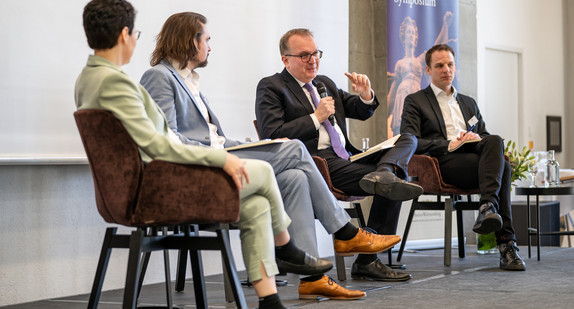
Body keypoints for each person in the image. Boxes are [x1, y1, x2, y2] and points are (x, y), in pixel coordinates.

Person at [76, 2, 339, 308]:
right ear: (124, 34)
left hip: (155, 182)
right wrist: (221, 158)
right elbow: (159, 143)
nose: (136, 39)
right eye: (136, 33)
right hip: (156, 189)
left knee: (255, 204)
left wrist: (233, 149)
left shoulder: (92, 78)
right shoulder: (116, 82)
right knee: (267, 171)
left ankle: (269, 300)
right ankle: (288, 246)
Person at [139, 12, 402, 301]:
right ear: (190, 40)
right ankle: (345, 231)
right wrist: (225, 153)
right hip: (202, 169)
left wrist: (241, 145)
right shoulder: (160, 76)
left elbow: (215, 136)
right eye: (207, 39)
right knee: (295, 148)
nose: (210, 47)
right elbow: (168, 138)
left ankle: (312, 279)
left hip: (223, 153)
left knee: (294, 177)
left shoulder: (190, 81)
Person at [255, 28, 423, 284]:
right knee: (394, 184)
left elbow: (359, 109)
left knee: (407, 139)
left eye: (315, 53)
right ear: (285, 59)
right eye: (304, 55)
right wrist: (315, 118)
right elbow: (272, 133)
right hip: (318, 164)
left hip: (347, 158)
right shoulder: (272, 86)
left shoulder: (324, 83)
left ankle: (385, 171)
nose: (313, 60)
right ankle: (369, 260)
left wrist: (365, 95)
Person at [400, 44, 526, 271]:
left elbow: (486, 137)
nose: (446, 69)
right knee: (504, 169)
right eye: (439, 65)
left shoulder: (468, 102)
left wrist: (474, 137)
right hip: (443, 162)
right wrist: (451, 143)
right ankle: (507, 246)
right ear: (428, 70)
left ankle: (487, 206)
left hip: (474, 156)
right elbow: (411, 140)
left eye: (450, 64)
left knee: (495, 140)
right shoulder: (415, 101)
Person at [386, 12, 453, 137]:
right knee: (400, 137)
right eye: (408, 32)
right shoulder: (399, 63)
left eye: (413, 33)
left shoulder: (420, 59)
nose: (411, 35)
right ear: (403, 37)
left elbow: (436, 48)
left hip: (415, 93)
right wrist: (386, 110)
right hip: (401, 97)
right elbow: (394, 90)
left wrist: (445, 25)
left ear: (416, 37)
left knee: (417, 131)